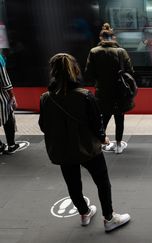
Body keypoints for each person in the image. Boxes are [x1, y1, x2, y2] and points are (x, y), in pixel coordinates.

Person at [39, 53, 131, 232]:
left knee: (73, 184)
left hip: (63, 150)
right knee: (102, 181)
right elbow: (97, 124)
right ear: (75, 71)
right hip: (88, 149)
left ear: (53, 73)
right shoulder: (85, 96)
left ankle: (84, 213)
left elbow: (43, 125)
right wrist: (103, 138)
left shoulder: (45, 98)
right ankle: (109, 218)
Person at [85, 23, 134, 154]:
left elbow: (89, 73)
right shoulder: (121, 52)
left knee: (103, 117)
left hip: (102, 91)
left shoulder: (93, 52)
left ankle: (101, 141)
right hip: (119, 91)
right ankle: (118, 145)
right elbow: (130, 71)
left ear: (101, 38)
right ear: (114, 38)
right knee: (119, 118)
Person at [0, 50, 20, 154]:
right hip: (1, 97)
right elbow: (5, 80)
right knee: (8, 118)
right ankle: (11, 145)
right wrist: (12, 96)